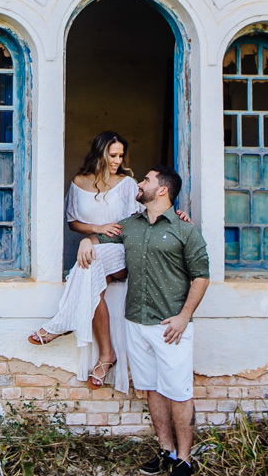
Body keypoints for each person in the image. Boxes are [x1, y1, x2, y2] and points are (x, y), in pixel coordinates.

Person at [77, 166, 209, 476]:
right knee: (151, 389)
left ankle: (185, 461)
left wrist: (184, 317)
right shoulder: (130, 226)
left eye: (146, 180)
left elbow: (201, 277)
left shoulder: (185, 230)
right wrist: (87, 241)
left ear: (162, 189)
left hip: (170, 327)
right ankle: (166, 450)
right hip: (135, 322)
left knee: (178, 392)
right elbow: (101, 238)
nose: (140, 183)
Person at [28, 131, 139, 391]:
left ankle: (62, 322)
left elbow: (139, 222)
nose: (117, 161)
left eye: (121, 156)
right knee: (90, 272)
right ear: (100, 153)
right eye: (113, 155)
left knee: (90, 260)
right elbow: (73, 221)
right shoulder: (79, 182)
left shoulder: (128, 184)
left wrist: (94, 240)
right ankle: (106, 356)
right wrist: (96, 230)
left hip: (123, 251)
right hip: (95, 249)